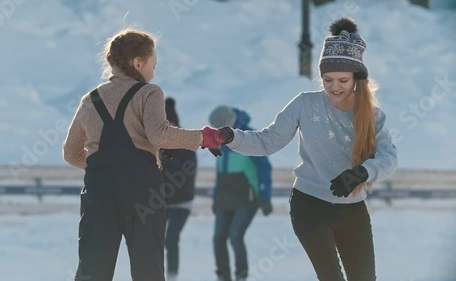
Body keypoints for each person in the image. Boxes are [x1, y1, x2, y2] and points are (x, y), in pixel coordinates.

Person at [214, 17, 397, 281]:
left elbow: (389, 157)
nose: (334, 87)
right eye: (327, 79)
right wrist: (230, 136)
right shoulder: (305, 105)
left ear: (357, 78)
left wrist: (361, 173)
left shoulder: (372, 115)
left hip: (352, 209)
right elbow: (268, 140)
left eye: (343, 80)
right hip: (309, 205)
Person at [62, 28, 223, 281]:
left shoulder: (89, 100)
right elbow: (159, 135)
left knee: (92, 271)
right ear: (138, 63)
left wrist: (102, 168)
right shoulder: (149, 93)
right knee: (148, 270)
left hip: (99, 192)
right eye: (153, 65)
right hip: (142, 193)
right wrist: (203, 137)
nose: (153, 72)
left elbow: (70, 153)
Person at [209, 106, 273, 281]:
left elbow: (264, 167)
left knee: (235, 236)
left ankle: (241, 275)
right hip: (224, 196)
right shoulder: (218, 139)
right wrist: (215, 198)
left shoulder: (248, 136)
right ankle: (223, 275)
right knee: (218, 238)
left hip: (247, 196)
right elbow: (220, 171)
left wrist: (265, 196)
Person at [161, 97, 197, 281]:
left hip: (182, 203)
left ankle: (173, 276)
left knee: (171, 239)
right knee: (156, 240)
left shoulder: (186, 144)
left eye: (171, 125)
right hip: (159, 202)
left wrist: (164, 159)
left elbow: (185, 173)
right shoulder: (157, 145)